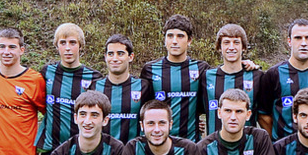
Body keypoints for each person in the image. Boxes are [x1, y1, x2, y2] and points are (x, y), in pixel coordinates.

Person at [34, 23, 104, 155]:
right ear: (56, 46)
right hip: (52, 153)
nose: (67, 48)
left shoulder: (94, 78)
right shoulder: (47, 73)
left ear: (80, 46)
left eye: (72, 42)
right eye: (62, 43)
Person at [140, 14, 212, 142]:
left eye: (180, 36)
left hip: (191, 144)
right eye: (170, 36)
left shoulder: (201, 69)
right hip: (158, 144)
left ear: (189, 40)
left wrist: (245, 65)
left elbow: (209, 100)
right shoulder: (150, 69)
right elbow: (143, 109)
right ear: (164, 39)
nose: (174, 41)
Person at [95, 34, 153, 144]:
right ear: (105, 57)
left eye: (120, 54)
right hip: (103, 151)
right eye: (110, 54)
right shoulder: (95, 87)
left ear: (131, 57)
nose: (115, 58)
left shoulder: (144, 87)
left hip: (134, 151)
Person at [205, 24, 262, 133]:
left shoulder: (257, 77)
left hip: (247, 142)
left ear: (243, 47)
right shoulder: (206, 77)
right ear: (219, 47)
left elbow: (265, 115)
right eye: (226, 42)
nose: (231, 47)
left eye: (236, 42)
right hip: (214, 143)